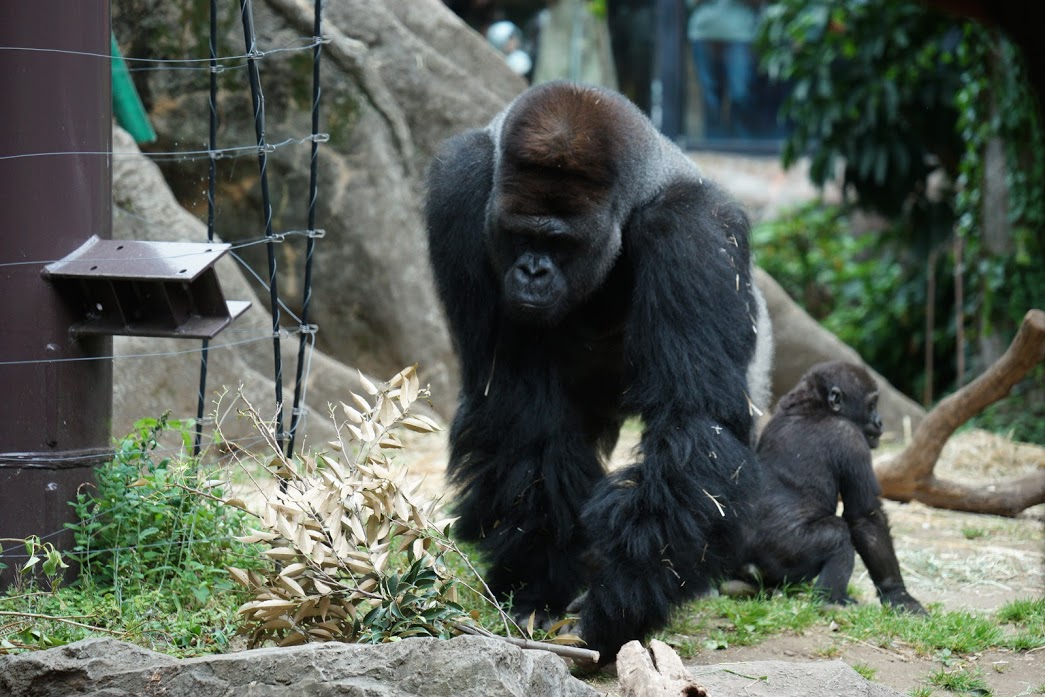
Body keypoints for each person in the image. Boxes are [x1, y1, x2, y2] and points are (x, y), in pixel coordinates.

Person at [687, 0, 762, 139]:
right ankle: (713, 144)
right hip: (704, 32)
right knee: (711, 99)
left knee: (741, 94)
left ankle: (744, 143)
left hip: (741, 33)